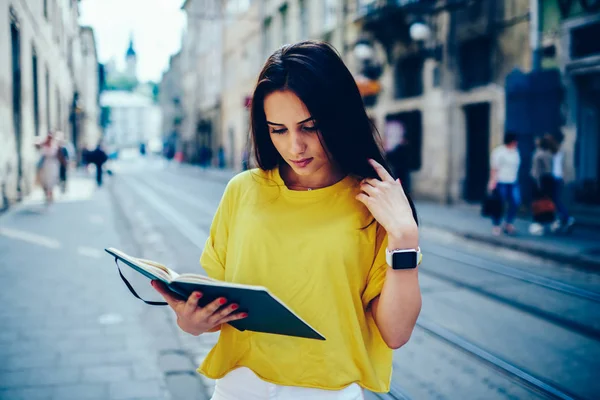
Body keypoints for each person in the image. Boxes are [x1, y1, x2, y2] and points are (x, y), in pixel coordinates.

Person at [151, 40, 422, 399]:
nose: (295, 146)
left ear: (339, 117)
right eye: (278, 129)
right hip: (237, 389)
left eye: (309, 127)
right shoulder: (242, 191)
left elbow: (395, 333)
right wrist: (191, 321)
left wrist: (404, 238)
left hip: (327, 392)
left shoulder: (373, 203)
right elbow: (210, 305)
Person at [488, 132, 521, 236]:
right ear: (511, 141)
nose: (517, 143)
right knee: (499, 204)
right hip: (501, 181)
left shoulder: (515, 152)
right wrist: (492, 182)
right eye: (515, 140)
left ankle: (508, 223)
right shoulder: (499, 152)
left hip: (513, 182)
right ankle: (496, 225)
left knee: (516, 201)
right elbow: (494, 168)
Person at [529, 134, 557, 235]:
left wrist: (538, 184)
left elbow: (537, 171)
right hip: (548, 181)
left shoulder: (539, 154)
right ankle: (550, 222)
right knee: (547, 202)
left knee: (538, 203)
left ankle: (538, 224)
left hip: (540, 181)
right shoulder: (549, 154)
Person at [549, 134, 575, 232]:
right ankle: (561, 219)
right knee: (555, 200)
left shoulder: (563, 151)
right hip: (552, 178)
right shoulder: (552, 151)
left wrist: (567, 178)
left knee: (556, 200)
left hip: (558, 178)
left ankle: (566, 218)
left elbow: (567, 166)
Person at [34, 132, 61, 206]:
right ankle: (47, 195)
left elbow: (58, 155)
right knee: (45, 180)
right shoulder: (43, 145)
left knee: (51, 181)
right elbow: (37, 147)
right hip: (45, 165)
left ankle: (50, 195)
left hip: (52, 165)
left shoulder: (55, 145)